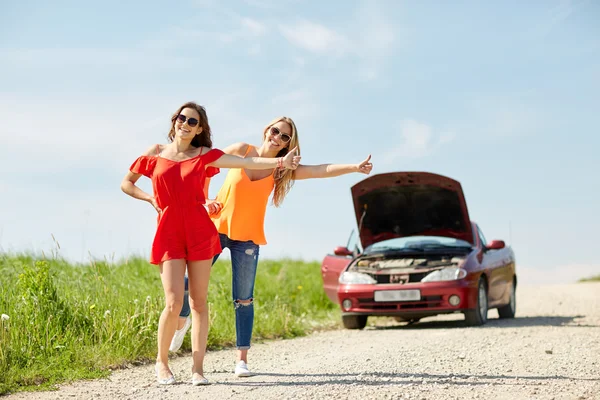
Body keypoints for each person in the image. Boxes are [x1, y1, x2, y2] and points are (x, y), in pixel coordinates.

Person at [168, 116, 373, 377]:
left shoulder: (281, 169)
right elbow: (205, 166)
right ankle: (182, 320)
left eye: (284, 136)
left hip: (248, 238)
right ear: (267, 130)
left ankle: (241, 361)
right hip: (215, 229)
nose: (276, 137)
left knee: (243, 299)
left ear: (287, 145)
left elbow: (322, 170)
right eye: (275, 131)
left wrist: (355, 167)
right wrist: (205, 199)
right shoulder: (242, 151)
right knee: (187, 283)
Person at [120, 103, 301, 386]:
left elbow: (246, 163)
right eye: (182, 118)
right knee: (173, 301)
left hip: (201, 233)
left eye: (193, 121)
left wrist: (279, 163)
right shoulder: (154, 152)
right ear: (175, 121)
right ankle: (162, 362)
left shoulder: (204, 155)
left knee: (199, 303)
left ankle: (197, 369)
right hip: (168, 234)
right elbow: (127, 183)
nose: (186, 124)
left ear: (200, 129)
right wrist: (150, 198)